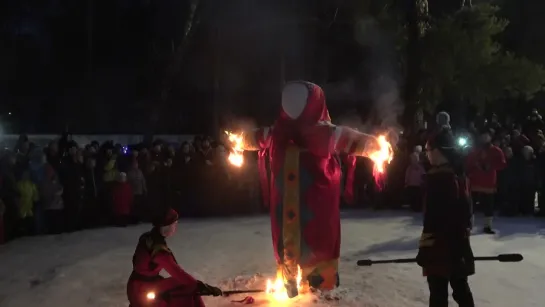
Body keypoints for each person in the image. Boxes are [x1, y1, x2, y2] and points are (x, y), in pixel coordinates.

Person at [418, 128, 475, 307]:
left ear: (439, 151)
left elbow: (433, 219)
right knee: (460, 286)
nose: (427, 154)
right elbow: (466, 211)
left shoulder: (440, 179)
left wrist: (425, 249)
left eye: (428, 149)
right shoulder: (458, 174)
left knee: (438, 291)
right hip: (458, 242)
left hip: (441, 245)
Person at [127, 208, 222, 307]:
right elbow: (177, 271)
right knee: (189, 288)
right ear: (166, 227)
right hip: (142, 292)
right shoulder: (158, 249)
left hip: (139, 286)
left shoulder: (148, 237)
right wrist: (201, 287)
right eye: (174, 224)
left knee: (185, 285)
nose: (175, 227)